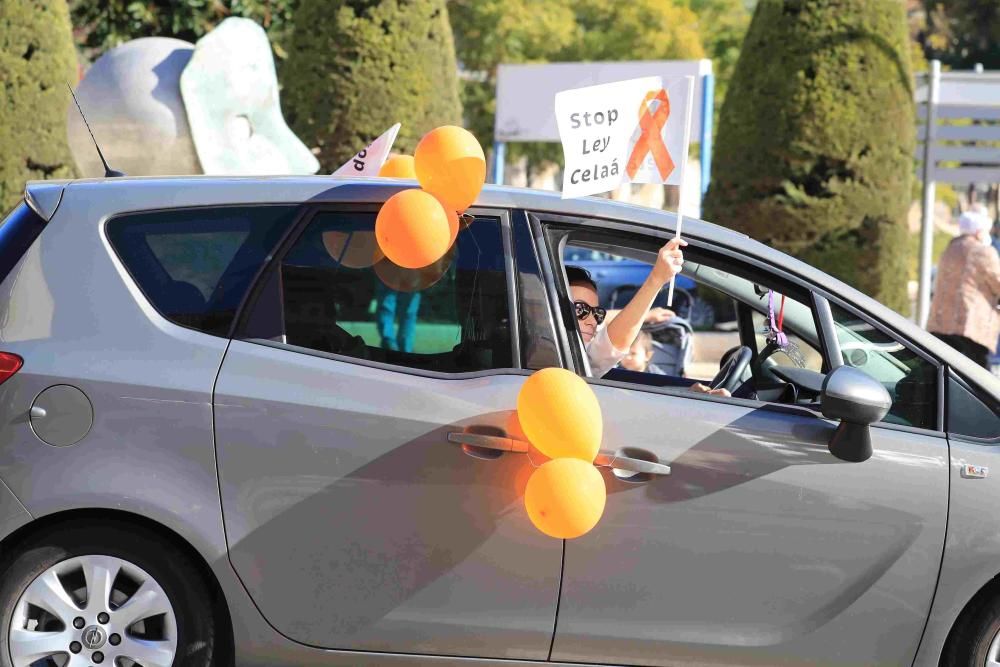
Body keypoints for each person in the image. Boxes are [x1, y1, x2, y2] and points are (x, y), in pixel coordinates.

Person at [567, 238, 730, 396]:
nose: (593, 322)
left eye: (597, 314)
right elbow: (611, 344)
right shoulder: (565, 362)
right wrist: (657, 279)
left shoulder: (575, 355)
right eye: (580, 309)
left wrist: (687, 394)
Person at [927, 208, 1000, 368]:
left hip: (941, 326)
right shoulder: (983, 252)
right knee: (980, 383)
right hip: (970, 328)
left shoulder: (951, 249)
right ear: (979, 231)